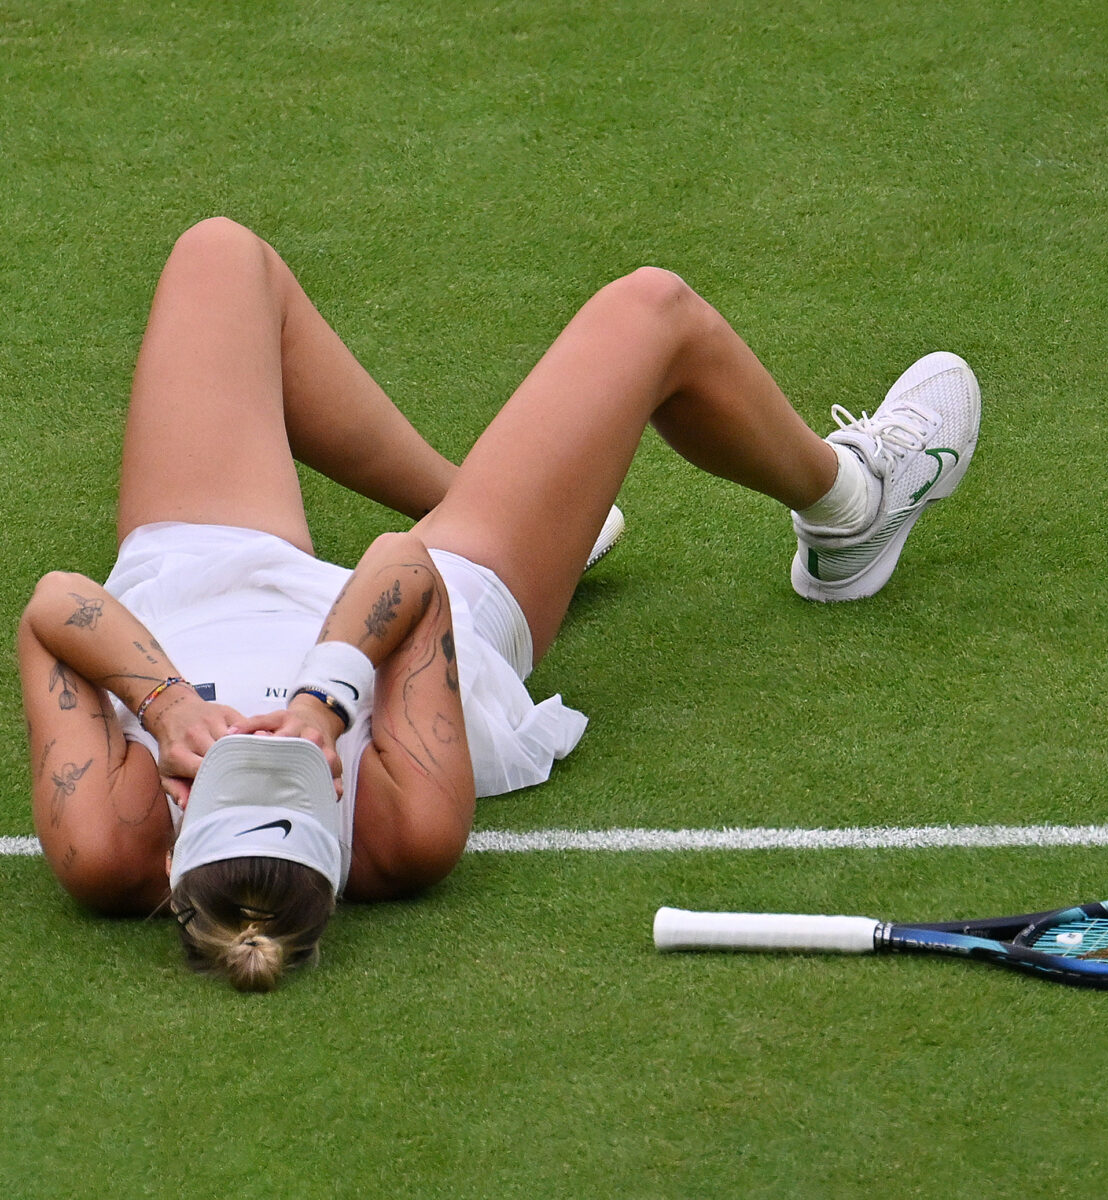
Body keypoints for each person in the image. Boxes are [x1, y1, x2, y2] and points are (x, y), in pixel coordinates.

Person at [17, 218, 981, 990]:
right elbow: (403, 569)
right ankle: (851, 509)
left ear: (176, 850)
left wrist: (167, 706)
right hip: (425, 621)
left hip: (200, 581)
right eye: (295, 774)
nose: (252, 742)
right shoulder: (409, 836)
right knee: (653, 309)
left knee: (220, 254)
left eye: (225, 775)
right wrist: (325, 701)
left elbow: (56, 605)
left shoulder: (107, 846)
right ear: (339, 848)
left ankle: (531, 507)